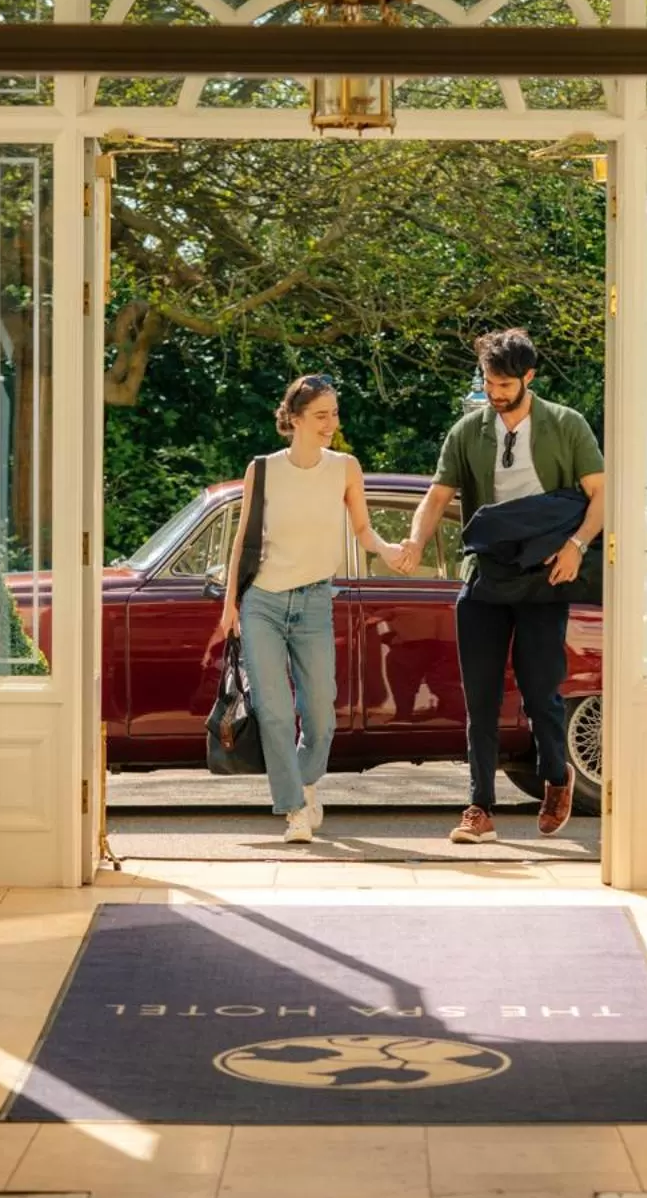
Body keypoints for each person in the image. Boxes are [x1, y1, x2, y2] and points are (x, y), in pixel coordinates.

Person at [397, 331, 604, 844]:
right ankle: (479, 807)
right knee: (481, 699)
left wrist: (577, 544)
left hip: (543, 577)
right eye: (489, 383)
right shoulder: (468, 432)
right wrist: (415, 541)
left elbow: (602, 494)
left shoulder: (566, 425)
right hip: (485, 577)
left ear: (529, 378)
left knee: (540, 696)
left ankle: (557, 777)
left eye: (505, 383)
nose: (495, 392)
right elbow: (436, 494)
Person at [213, 374, 407, 843]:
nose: (330, 424)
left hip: (316, 600)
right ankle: (294, 809)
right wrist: (229, 604)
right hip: (262, 603)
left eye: (334, 414)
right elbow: (243, 538)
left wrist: (387, 548)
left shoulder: (345, 468)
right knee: (275, 710)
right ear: (295, 419)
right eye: (321, 416)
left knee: (320, 712)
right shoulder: (262, 469)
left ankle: (304, 780)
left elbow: (362, 529)